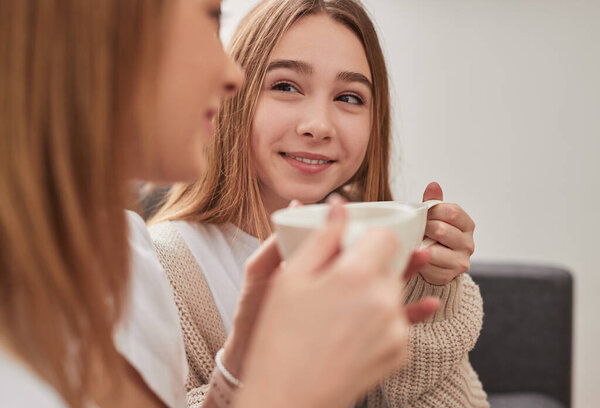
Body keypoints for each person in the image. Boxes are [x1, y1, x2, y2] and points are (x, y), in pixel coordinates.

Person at [0, 1, 437, 407]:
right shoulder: (158, 263)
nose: (232, 76)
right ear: (106, 35)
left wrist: (235, 373)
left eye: (349, 97)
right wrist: (279, 389)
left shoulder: (126, 253)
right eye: (211, 20)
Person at [150, 0, 489, 407]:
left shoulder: (379, 246)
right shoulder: (160, 266)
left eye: (349, 97)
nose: (318, 126)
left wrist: (427, 291)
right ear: (233, 94)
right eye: (286, 87)